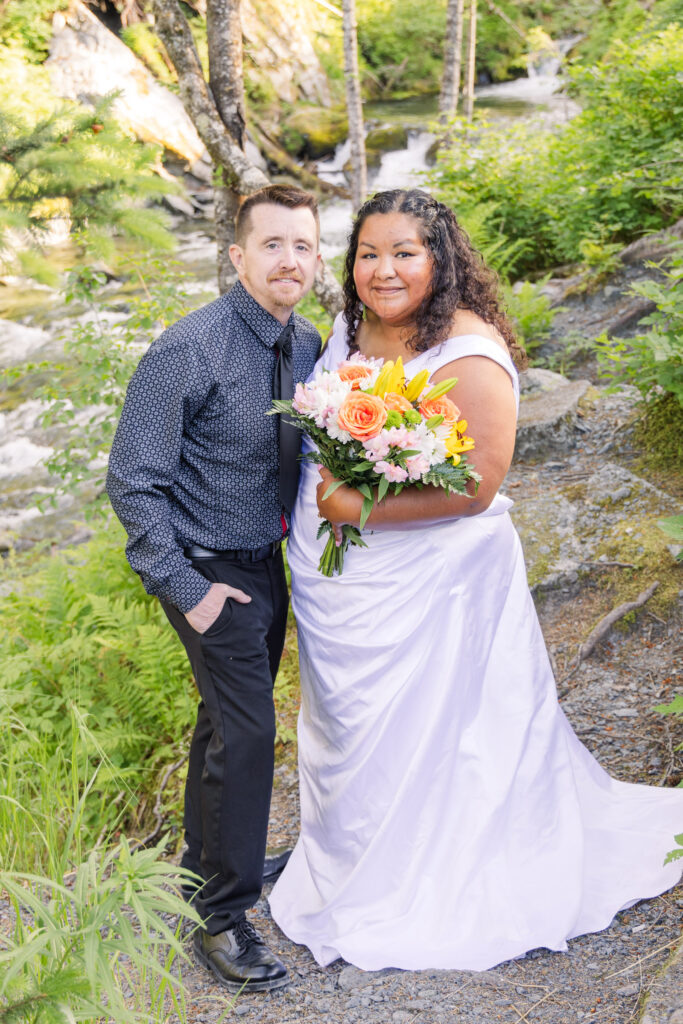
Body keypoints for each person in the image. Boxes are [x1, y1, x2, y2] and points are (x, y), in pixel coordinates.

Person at [268, 188, 683, 971]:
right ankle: (356, 856)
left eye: (403, 253)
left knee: (446, 726)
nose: (382, 270)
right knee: (353, 725)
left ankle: (445, 871)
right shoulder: (349, 331)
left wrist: (355, 507)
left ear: (440, 259)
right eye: (367, 253)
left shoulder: (468, 350)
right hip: (342, 580)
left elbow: (477, 486)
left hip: (436, 578)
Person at [106, 184, 322, 992]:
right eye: (272, 245)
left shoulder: (308, 345)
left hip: (270, 565)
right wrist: (185, 586)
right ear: (237, 256)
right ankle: (222, 919)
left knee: (223, 723)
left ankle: (204, 865)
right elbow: (132, 482)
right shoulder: (185, 349)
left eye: (302, 246)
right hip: (204, 570)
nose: (288, 260)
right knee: (250, 731)